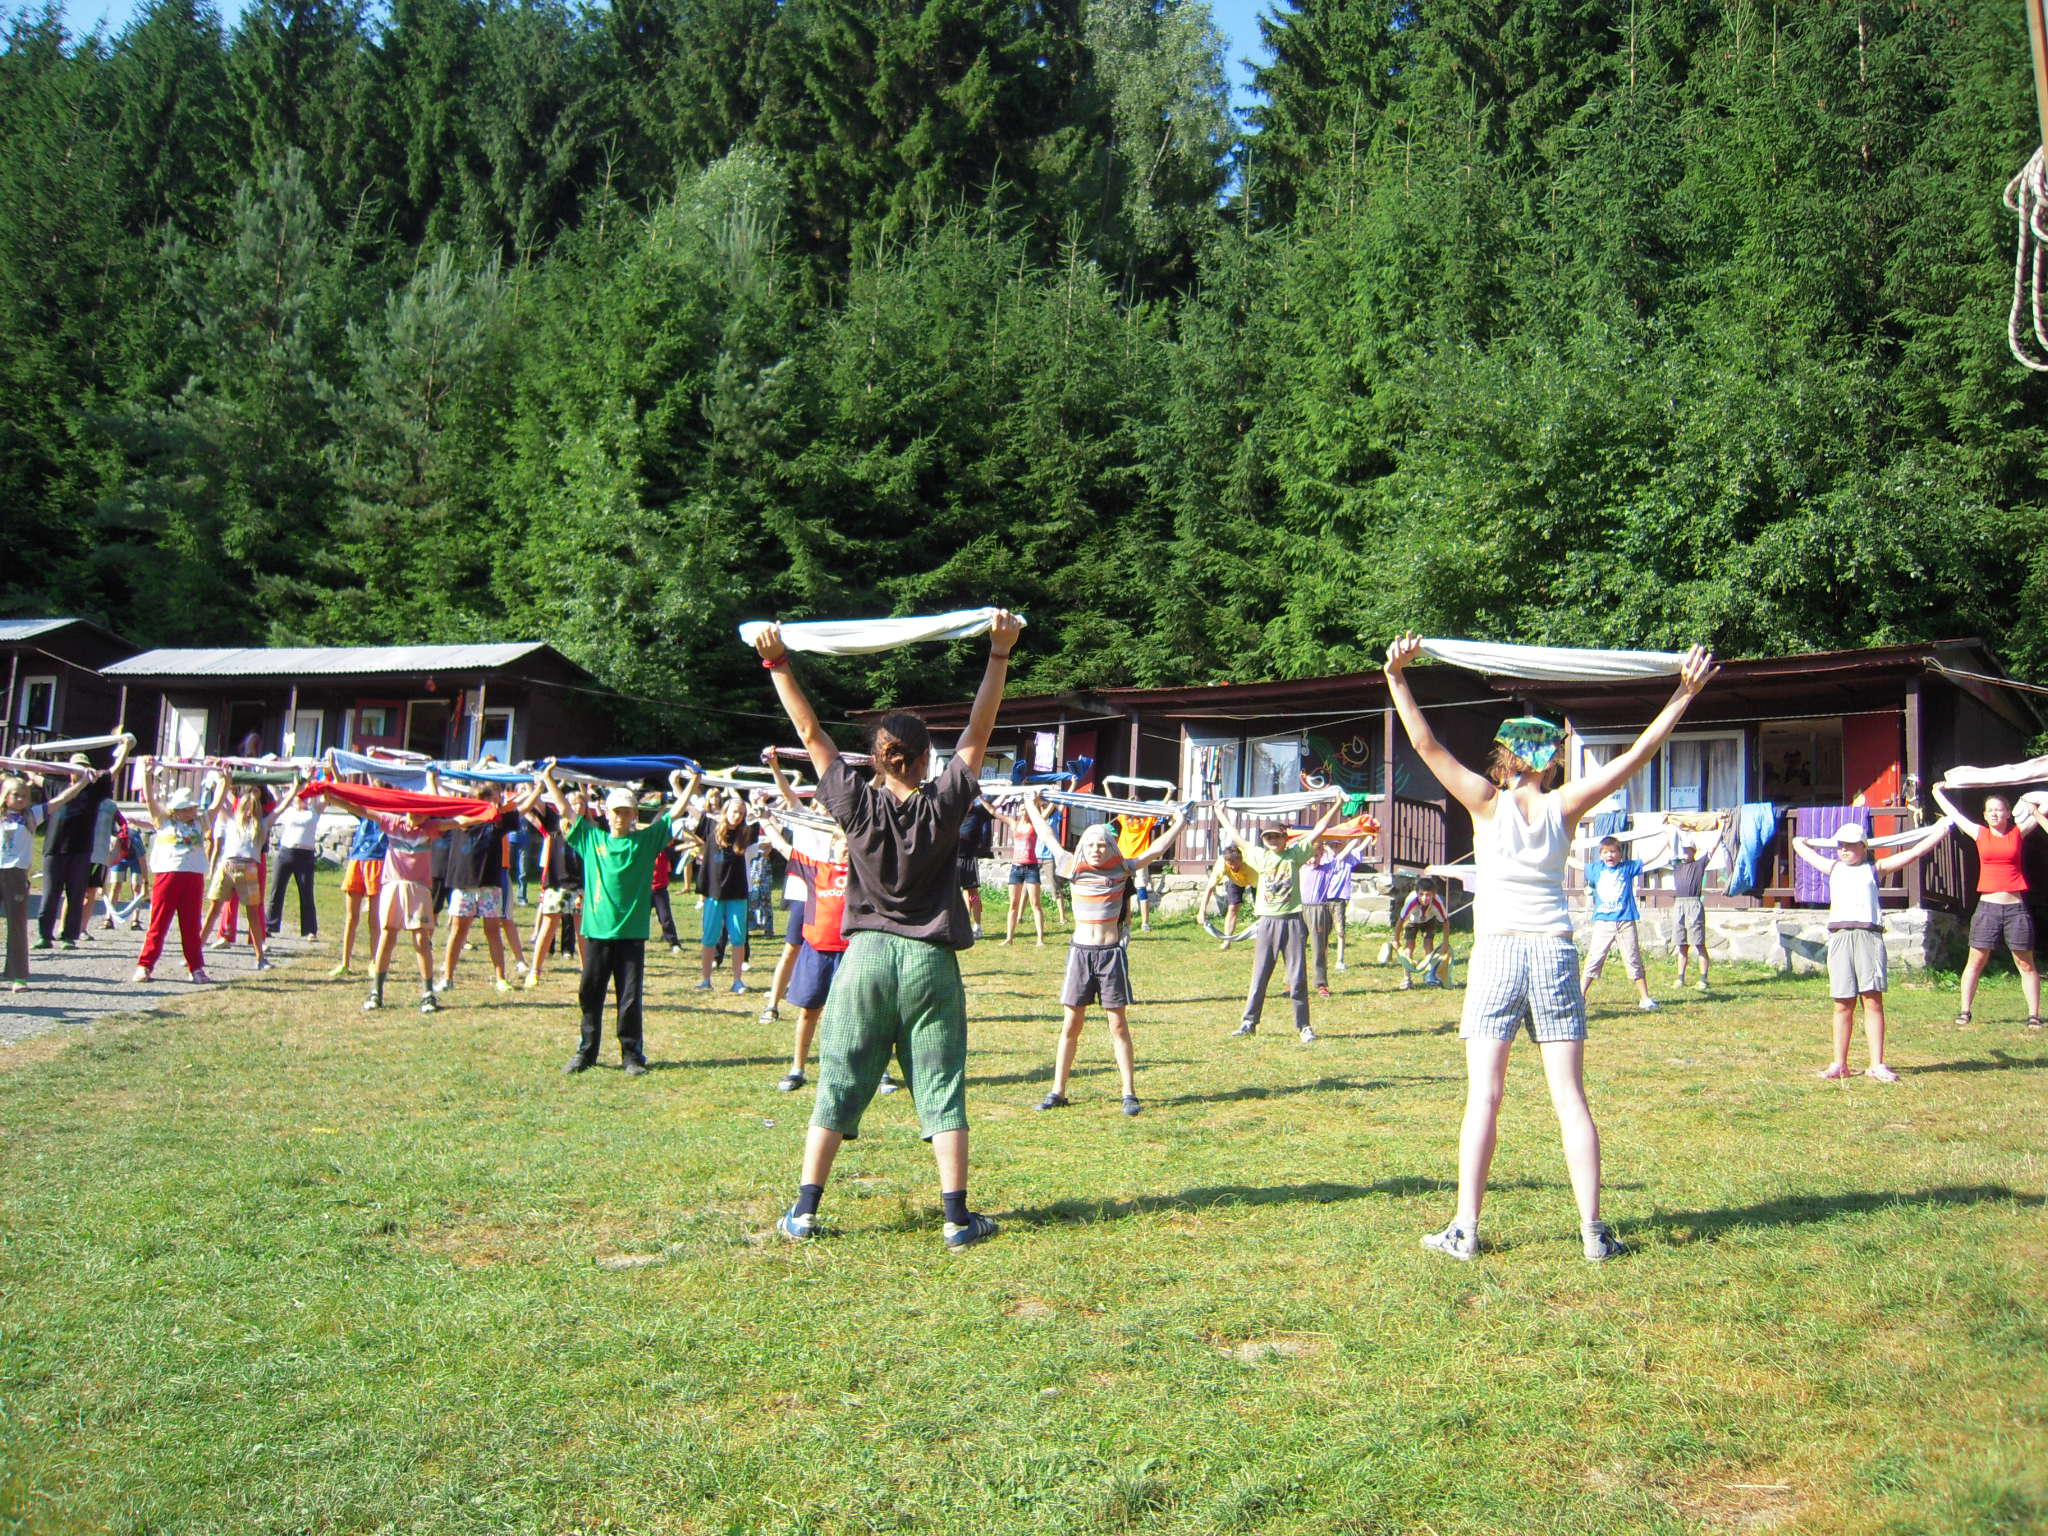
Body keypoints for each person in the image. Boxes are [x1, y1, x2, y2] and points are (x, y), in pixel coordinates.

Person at [1384, 632, 1717, 1264]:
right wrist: (1683, 692)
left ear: (1504, 760)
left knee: (1485, 1096)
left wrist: (1397, 676)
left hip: (1498, 953)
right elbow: (1640, 754)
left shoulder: (1484, 802)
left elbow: (1425, 744)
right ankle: (1593, 1233)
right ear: (1550, 763)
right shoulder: (1566, 805)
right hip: (1555, 953)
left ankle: (1466, 1229)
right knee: (1570, 1098)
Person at [756, 610, 1021, 1249]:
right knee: (942, 1087)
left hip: (865, 959)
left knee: (837, 1080)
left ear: (875, 758)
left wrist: (777, 662)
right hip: (930, 961)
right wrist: (999, 653)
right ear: (927, 759)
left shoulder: (852, 800)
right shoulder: (946, 799)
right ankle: (957, 1220)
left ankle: (804, 1213)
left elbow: (809, 730)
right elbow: (979, 729)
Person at [1021, 792, 1186, 1115]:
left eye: (1102, 844)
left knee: (1118, 1025)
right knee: (1071, 1025)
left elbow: (1155, 850)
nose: (1097, 849)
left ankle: (1129, 1093)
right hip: (1080, 954)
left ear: (1111, 847)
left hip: (1110, 955)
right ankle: (1058, 1091)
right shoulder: (1071, 865)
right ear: (1083, 846)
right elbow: (1047, 834)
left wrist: (1179, 822)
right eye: (1091, 844)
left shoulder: (1122, 868)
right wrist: (1030, 804)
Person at [543, 767, 690, 1075]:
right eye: (616, 811)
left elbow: (675, 813)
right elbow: (566, 810)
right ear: (607, 814)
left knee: (629, 998)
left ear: (634, 814)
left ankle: (632, 1055)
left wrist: (694, 783)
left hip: (631, 934)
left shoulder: (645, 842)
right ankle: (586, 1052)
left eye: (626, 811)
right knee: (590, 994)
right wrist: (548, 779)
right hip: (597, 933)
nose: (620, 817)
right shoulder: (591, 840)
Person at [1791, 820, 1954, 1081]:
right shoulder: (1833, 867)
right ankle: (1839, 1064)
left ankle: (1876, 1064)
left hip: (1869, 936)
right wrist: (1803, 841)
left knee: (1872, 999)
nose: (1844, 850)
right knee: (1842, 1002)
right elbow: (1799, 847)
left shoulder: (1874, 869)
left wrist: (1941, 831)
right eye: (1840, 846)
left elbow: (1913, 853)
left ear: (1863, 847)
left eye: (1850, 846)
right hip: (1840, 937)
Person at [756, 811, 901, 1097]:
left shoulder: (866, 873)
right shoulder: (816, 869)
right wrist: (764, 820)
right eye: (841, 842)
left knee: (866, 1013)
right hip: (817, 952)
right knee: (809, 1011)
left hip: (853, 953)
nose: (846, 847)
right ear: (833, 845)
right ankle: (797, 1069)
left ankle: (879, 1071)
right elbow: (784, 848)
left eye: (851, 843)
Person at [1215, 795, 1345, 1043]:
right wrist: (1220, 813)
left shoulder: (1295, 855)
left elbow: (1318, 830)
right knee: (1260, 974)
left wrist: (1337, 805)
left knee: (1297, 977)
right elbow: (1236, 836)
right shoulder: (1259, 856)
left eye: (1276, 836)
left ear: (1285, 838)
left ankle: (1304, 1026)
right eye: (1268, 837)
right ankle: (1249, 1022)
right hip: (1267, 922)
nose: (1272, 840)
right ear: (1263, 840)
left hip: (1293, 921)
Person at [1930, 782, 2048, 1029]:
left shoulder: (2018, 832)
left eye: (1999, 809)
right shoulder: (1979, 833)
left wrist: (2032, 805)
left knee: (2025, 963)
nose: (1995, 813)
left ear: (2008, 813)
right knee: (1976, 961)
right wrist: (1936, 792)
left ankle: (2034, 1015)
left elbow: (2044, 806)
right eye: (1990, 810)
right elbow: (1955, 815)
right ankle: (1965, 1011)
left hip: (2016, 909)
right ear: (1984, 815)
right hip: (1987, 909)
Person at [362, 800, 479, 1014]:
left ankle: (428, 994)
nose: (416, 816)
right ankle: (376, 992)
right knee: (387, 936)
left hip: (419, 889)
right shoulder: (392, 822)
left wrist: (490, 812)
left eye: (422, 813)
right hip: (393, 887)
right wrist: (332, 795)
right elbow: (362, 809)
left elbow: (460, 821)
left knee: (421, 940)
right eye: (413, 811)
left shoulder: (430, 828)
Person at [439, 782, 536, 995]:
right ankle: (447, 978)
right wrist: (433, 780)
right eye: (486, 801)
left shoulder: (497, 821)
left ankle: (500, 978)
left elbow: (522, 810)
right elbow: (440, 801)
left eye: (492, 800)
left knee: (493, 930)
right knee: (458, 930)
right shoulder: (460, 820)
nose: (492, 804)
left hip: (490, 884)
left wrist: (537, 789)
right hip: (464, 882)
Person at [199, 776, 303, 973]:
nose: (249, 810)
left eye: (252, 807)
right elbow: (220, 801)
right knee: (213, 910)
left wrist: (295, 787)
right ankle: (195, 953)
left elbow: (281, 807)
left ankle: (260, 957)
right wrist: (223, 780)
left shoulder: (262, 825)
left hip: (248, 869)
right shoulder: (231, 821)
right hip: (227, 867)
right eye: (246, 806)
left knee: (253, 914)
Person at [36, 737, 130, 949]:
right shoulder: (56, 786)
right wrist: (23, 757)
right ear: (67, 770)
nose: (78, 771)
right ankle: (44, 936)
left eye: (82, 767)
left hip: (81, 850)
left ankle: (69, 936)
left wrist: (126, 747)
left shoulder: (95, 788)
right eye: (75, 767)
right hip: (54, 848)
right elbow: (34, 775)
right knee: (50, 895)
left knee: (76, 895)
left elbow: (115, 769)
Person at [127, 763, 214, 985]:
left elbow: (217, 804)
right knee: (159, 923)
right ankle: (145, 965)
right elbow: (150, 800)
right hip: (168, 875)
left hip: (193, 876)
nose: (190, 811)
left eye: (191, 807)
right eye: (185, 808)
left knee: (191, 925)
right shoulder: (163, 820)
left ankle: (196, 968)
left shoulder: (200, 822)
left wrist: (224, 779)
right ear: (176, 810)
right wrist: (147, 774)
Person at [4, 771, 89, 990]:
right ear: (5, 796)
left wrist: (82, 783)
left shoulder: (32, 816)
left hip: (16, 874)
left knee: (17, 925)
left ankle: (18, 975)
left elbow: (61, 799)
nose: (21, 799)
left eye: (25, 795)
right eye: (16, 795)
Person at [1572, 835, 1660, 1011]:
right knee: (1594, 958)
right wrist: (1562, 845)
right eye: (1605, 852)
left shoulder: (1627, 868)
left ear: (1620, 854)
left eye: (1613, 852)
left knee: (1633, 958)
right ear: (1600, 855)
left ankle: (1645, 998)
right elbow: (1575, 863)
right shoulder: (1596, 869)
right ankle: (1580, 997)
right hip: (1604, 922)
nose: (1609, 855)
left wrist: (1667, 840)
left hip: (1625, 921)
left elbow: (1652, 858)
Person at [687, 783, 756, 993]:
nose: (738, 816)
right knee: (709, 938)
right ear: (725, 811)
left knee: (738, 938)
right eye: (735, 812)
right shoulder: (710, 827)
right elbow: (689, 805)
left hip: (737, 894)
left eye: (742, 813)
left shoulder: (747, 833)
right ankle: (706, 980)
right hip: (713, 893)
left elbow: (760, 819)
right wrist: (687, 782)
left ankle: (737, 981)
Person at [525, 790, 587, 985]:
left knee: (583, 931)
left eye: (581, 804)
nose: (577, 807)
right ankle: (535, 971)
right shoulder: (554, 823)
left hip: (580, 885)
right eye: (573, 803)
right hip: (556, 884)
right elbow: (536, 802)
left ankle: (588, 973)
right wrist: (537, 784)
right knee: (548, 927)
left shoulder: (588, 828)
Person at [1304, 829, 1371, 995]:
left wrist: (1360, 837)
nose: (1313, 859)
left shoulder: (1332, 865)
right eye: (1309, 856)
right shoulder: (1304, 866)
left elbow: (1346, 853)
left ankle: (1325, 977)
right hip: (1304, 906)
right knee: (1297, 946)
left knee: (1327, 941)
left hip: (1325, 905)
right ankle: (1291, 982)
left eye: (1316, 855)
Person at [330, 810, 388, 978]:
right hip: (357, 860)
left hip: (378, 860)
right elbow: (348, 803)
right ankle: (345, 962)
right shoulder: (364, 811)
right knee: (351, 917)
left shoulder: (390, 812)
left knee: (374, 918)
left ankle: (375, 962)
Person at [1667, 826, 1725, 992]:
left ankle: (1703, 978)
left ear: (1694, 851)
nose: (1685, 852)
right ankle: (1680, 977)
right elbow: (1670, 843)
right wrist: (1668, 824)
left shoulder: (1699, 865)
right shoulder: (1676, 865)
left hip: (1693, 904)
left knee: (1698, 942)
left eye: (1688, 850)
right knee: (1681, 944)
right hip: (1679, 905)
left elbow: (1713, 848)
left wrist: (1721, 829)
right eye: (1683, 850)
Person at [267, 787, 323, 941]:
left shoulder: (314, 810)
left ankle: (310, 930)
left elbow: (327, 795)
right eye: (299, 795)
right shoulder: (288, 810)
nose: (302, 798)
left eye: (305, 796)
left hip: (305, 856)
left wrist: (314, 786)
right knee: (276, 890)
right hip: (286, 853)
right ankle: (270, 925)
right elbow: (276, 793)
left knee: (306, 893)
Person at [992, 800, 1048, 945]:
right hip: (1016, 868)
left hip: (1031, 868)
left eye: (1027, 809)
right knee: (1013, 904)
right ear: (1019, 810)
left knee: (1035, 904)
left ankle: (1040, 939)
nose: (1024, 812)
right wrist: (980, 797)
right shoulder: (1014, 823)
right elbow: (993, 812)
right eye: (1022, 809)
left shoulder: (1035, 824)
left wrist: (1041, 800)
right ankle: (1009, 938)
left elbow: (1046, 814)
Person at [1392, 874, 1452, 989]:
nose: (1424, 898)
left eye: (1428, 895)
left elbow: (1445, 921)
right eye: (1421, 894)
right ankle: (1407, 978)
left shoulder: (1437, 903)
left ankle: (1430, 976)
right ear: (1417, 893)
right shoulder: (1412, 902)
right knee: (1409, 946)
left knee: (1428, 946)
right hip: (1412, 921)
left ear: (1433, 894)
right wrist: (1396, 939)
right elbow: (1401, 920)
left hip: (1429, 920)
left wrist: (1445, 942)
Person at [957, 797, 996, 936]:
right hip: (955, 858)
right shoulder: (956, 813)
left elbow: (993, 808)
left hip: (969, 858)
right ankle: (963, 925)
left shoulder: (979, 812)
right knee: (960, 893)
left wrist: (980, 797)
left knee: (973, 893)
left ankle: (978, 926)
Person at [1205, 844, 1257, 946]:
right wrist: (1201, 911)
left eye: (1236, 864)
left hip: (1255, 879)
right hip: (1235, 879)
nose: (1233, 867)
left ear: (1241, 860)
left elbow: (1262, 889)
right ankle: (1227, 941)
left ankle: (1265, 939)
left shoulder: (1251, 865)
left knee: (1261, 911)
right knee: (1232, 908)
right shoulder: (1222, 864)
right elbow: (1209, 888)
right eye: (1230, 865)